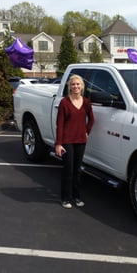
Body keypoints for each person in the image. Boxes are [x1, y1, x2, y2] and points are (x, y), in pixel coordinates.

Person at [55, 74, 94, 209]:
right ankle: (65, 198)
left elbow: (92, 119)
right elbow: (59, 124)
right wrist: (58, 144)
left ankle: (76, 196)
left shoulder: (87, 102)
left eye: (78, 84)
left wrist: (87, 131)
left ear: (82, 87)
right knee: (68, 170)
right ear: (69, 87)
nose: (75, 86)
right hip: (67, 140)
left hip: (81, 140)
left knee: (77, 170)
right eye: (73, 84)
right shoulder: (64, 102)